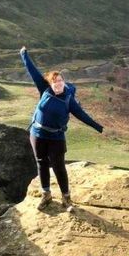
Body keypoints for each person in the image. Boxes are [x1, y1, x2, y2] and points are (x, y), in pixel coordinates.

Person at [20, 46, 105, 209]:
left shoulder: (68, 98)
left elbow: (81, 114)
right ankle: (46, 195)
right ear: (50, 83)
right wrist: (24, 54)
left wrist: (98, 127)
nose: (58, 84)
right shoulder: (44, 89)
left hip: (56, 137)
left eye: (60, 81)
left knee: (58, 166)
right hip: (37, 134)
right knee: (41, 163)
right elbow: (32, 71)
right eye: (55, 81)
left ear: (63, 83)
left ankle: (66, 198)